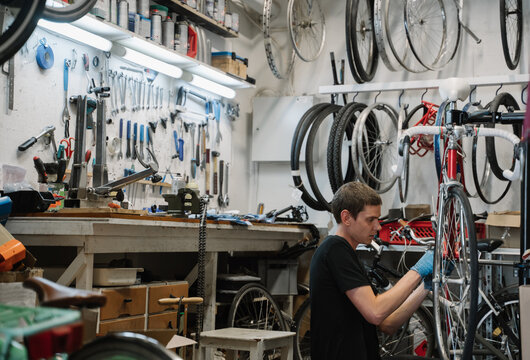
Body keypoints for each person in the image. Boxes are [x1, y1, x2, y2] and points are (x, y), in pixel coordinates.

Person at [310, 182, 433, 360]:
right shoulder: (334, 249)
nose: (378, 227)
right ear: (346, 218)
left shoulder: (348, 254)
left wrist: (426, 286)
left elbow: (388, 324)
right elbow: (375, 312)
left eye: (378, 219)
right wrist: (418, 270)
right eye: (370, 220)